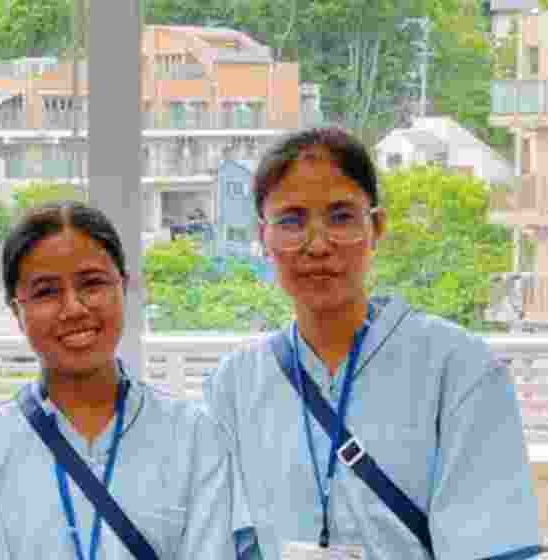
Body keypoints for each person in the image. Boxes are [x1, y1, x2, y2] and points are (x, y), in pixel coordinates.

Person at [205, 127, 542, 559]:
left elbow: (493, 543)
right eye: (291, 221)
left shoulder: (457, 369)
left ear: (377, 226)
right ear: (263, 237)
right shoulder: (234, 386)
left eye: (341, 216)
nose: (318, 244)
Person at [0, 200, 239, 559]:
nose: (73, 308)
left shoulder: (194, 440)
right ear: (16, 310)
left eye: (92, 284)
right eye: (46, 292)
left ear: (124, 287)